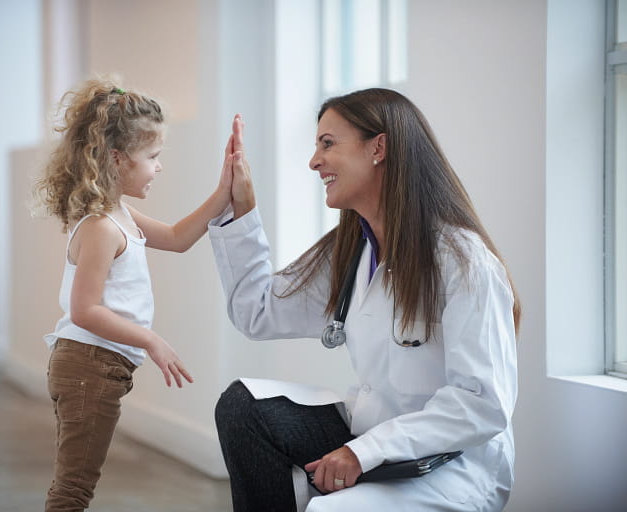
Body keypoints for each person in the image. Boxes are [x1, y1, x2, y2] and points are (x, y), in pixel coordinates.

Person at [209, 88, 520, 511]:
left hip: (450, 463)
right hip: (372, 432)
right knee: (244, 407)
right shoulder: (353, 249)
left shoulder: (463, 262)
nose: (314, 161)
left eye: (327, 143)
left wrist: (365, 451)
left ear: (379, 147)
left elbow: (482, 404)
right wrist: (242, 208)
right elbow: (257, 313)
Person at [34, 76, 232, 512]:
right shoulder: (102, 227)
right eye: (153, 157)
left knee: (75, 484)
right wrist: (150, 339)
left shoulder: (121, 214)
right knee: (73, 490)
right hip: (88, 366)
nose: (159, 167)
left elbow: (179, 237)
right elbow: (84, 311)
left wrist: (223, 193)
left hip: (96, 367)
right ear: (118, 159)